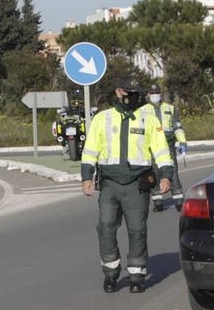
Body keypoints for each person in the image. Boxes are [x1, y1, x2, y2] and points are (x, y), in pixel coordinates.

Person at [81, 75, 173, 294]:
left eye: (136, 94)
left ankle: (137, 275)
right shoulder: (102, 119)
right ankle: (111, 272)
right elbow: (90, 149)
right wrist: (87, 177)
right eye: (128, 93)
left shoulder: (148, 119)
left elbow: (161, 150)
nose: (132, 98)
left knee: (137, 229)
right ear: (118, 92)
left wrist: (165, 175)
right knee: (105, 227)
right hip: (110, 183)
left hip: (136, 185)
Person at [145, 84, 188, 212]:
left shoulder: (170, 108)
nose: (155, 95)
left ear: (161, 94)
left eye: (157, 93)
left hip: (168, 144)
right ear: (148, 95)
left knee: (172, 171)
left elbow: (177, 127)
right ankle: (158, 202)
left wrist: (182, 142)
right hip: (151, 146)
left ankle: (179, 201)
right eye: (152, 93)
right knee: (153, 173)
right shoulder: (143, 110)